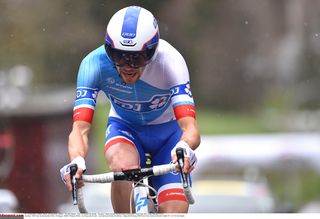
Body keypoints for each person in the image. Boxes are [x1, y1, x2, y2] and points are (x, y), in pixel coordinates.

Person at [60, 5, 200, 213]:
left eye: (138, 57)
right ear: (108, 50)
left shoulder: (171, 61)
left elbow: (190, 129)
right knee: (123, 165)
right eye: (119, 55)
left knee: (173, 213)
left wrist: (184, 147)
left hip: (168, 136)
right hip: (125, 129)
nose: (128, 66)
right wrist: (77, 160)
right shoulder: (93, 64)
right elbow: (80, 129)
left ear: (153, 51)